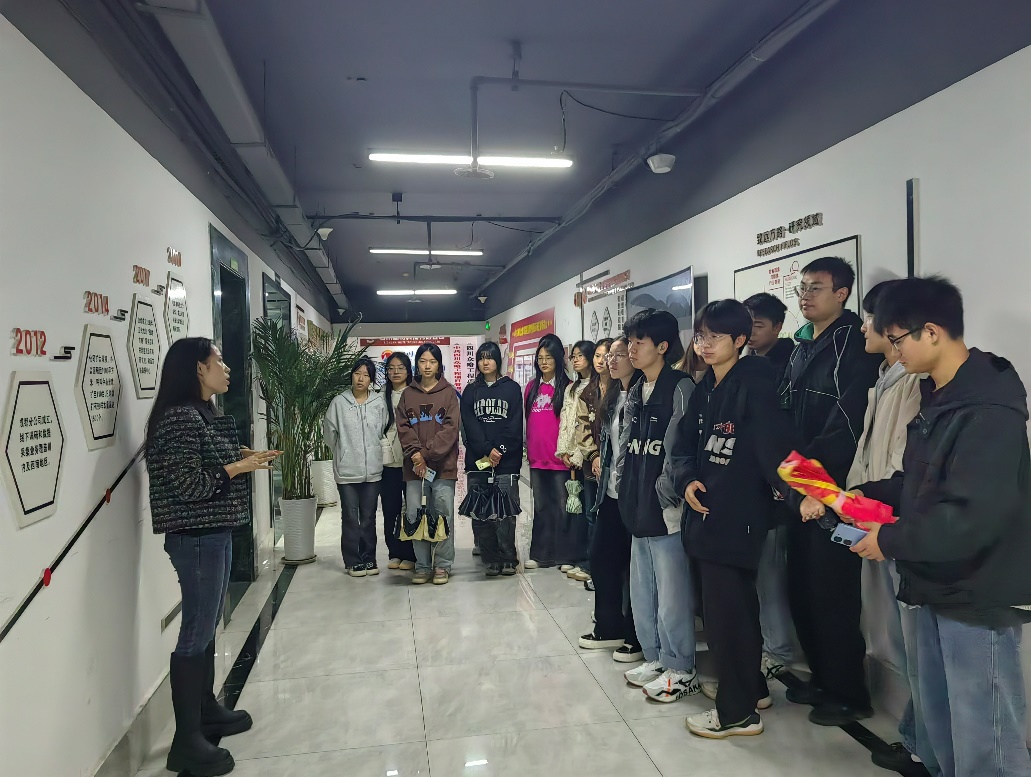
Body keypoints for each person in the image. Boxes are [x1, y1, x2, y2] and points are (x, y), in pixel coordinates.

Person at [843, 277, 1031, 777]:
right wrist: (869, 495)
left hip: (975, 590)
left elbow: (973, 514)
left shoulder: (987, 408)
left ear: (931, 331)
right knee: (942, 720)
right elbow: (919, 481)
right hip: (932, 579)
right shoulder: (938, 395)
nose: (894, 351)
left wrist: (889, 539)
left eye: (897, 339)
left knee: (985, 733)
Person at [146, 337, 280, 776]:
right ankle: (186, 741)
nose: (226, 368)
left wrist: (244, 456)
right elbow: (189, 484)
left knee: (206, 629)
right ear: (198, 369)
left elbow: (204, 459)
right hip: (196, 536)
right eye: (218, 361)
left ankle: (205, 711)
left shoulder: (202, 412)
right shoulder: (179, 417)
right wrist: (239, 467)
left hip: (213, 532)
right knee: (195, 633)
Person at [670, 300, 796, 738]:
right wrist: (686, 480)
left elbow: (778, 453)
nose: (704, 345)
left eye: (715, 337)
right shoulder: (706, 386)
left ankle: (736, 713)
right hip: (705, 520)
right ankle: (751, 689)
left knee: (730, 618)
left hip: (737, 518)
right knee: (730, 611)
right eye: (700, 336)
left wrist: (811, 497)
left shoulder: (754, 384)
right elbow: (683, 446)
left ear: (740, 340)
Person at [779, 256, 881, 726]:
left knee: (832, 593)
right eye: (802, 287)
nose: (805, 295)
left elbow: (847, 424)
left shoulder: (852, 344)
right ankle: (821, 679)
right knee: (800, 586)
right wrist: (789, 478)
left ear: (842, 293)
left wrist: (814, 486)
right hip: (799, 486)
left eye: (816, 287)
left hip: (833, 492)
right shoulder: (801, 345)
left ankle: (848, 693)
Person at [838, 279, 934, 775]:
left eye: (871, 319)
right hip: (876, 520)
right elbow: (869, 455)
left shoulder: (916, 382)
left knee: (920, 649)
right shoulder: (885, 378)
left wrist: (869, 510)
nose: (863, 328)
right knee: (904, 644)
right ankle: (919, 742)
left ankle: (924, 749)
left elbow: (901, 468)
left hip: (896, 528)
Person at [617, 310, 700, 703]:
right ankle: (655, 657)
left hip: (666, 510)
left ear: (663, 346)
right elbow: (626, 444)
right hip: (636, 504)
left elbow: (681, 448)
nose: (631, 349)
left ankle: (681, 667)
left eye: (640, 342)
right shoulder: (637, 388)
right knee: (643, 589)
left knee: (672, 594)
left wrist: (666, 493)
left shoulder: (680, 387)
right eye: (630, 341)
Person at [742, 292, 799, 680]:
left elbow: (776, 433)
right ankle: (767, 644)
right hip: (751, 486)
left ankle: (778, 649)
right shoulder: (747, 363)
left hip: (778, 486)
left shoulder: (787, 366)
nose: (750, 333)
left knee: (771, 576)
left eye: (758, 326)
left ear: (778, 327)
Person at [578, 336, 643, 662]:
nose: (612, 360)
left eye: (620, 354)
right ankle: (609, 626)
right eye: (610, 355)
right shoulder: (615, 395)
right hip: (611, 493)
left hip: (635, 497)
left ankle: (636, 635)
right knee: (601, 558)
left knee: (634, 569)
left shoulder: (645, 394)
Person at [396, 343, 461, 585]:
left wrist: (425, 454)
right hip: (414, 469)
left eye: (432, 362)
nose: (427, 366)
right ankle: (422, 565)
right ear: (417, 364)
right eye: (423, 361)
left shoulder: (448, 393)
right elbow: (403, 426)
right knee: (415, 514)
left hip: (443, 467)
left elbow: (450, 429)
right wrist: (415, 455)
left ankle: (442, 564)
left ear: (438, 365)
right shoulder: (408, 394)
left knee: (443, 514)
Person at [461, 341, 524, 577]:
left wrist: (499, 450)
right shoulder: (471, 391)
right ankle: (490, 558)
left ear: (498, 360)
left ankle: (508, 557)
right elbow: (469, 427)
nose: (485, 362)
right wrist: (488, 451)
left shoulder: (512, 389)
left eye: (489, 357)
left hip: (506, 461)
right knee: (482, 512)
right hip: (479, 462)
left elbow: (514, 424)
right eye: (481, 358)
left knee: (505, 512)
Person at [325, 356, 390, 577]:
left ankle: (369, 558)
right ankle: (353, 561)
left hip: (373, 471)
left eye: (366, 375)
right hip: (347, 471)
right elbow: (330, 435)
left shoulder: (379, 403)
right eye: (357, 373)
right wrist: (345, 453)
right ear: (351, 375)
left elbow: (382, 428)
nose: (361, 378)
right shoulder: (338, 403)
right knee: (351, 517)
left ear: (371, 379)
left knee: (369, 517)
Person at [525, 334, 571, 569]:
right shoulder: (532, 387)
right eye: (540, 358)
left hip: (560, 460)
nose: (543, 362)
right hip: (537, 459)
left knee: (563, 508)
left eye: (549, 358)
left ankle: (564, 556)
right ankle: (541, 555)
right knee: (541, 507)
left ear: (559, 359)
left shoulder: (568, 388)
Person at [572, 337, 614, 583]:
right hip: (592, 466)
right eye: (597, 355)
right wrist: (594, 456)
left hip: (615, 468)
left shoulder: (623, 388)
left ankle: (609, 569)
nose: (601, 361)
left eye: (606, 356)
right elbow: (582, 428)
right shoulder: (588, 391)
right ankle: (591, 565)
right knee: (591, 515)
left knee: (611, 519)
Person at [555, 340, 596, 577]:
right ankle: (575, 555)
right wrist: (564, 451)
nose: (576, 360)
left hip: (587, 458)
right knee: (574, 510)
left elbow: (587, 428)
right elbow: (565, 422)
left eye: (581, 355)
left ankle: (589, 561)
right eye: (573, 356)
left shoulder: (596, 386)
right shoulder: (571, 388)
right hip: (569, 458)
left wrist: (580, 454)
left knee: (589, 511)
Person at [380, 353, 417, 570]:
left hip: (411, 461)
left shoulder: (415, 393)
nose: (395, 372)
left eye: (400, 368)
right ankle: (394, 552)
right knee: (390, 509)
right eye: (391, 368)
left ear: (408, 370)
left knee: (411, 508)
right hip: (388, 463)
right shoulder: (379, 396)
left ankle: (410, 554)